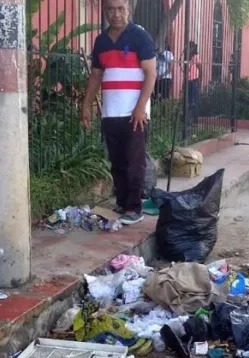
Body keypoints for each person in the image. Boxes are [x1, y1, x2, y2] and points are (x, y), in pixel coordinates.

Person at [81, 0, 156, 225]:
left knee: (135, 162)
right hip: (110, 113)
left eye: (120, 9)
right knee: (117, 162)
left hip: (135, 113)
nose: (116, 14)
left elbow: (150, 74)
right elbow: (95, 75)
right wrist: (85, 105)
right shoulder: (101, 41)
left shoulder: (140, 37)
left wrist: (140, 107)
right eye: (111, 10)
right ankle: (122, 203)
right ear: (105, 12)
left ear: (128, 10)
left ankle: (134, 207)